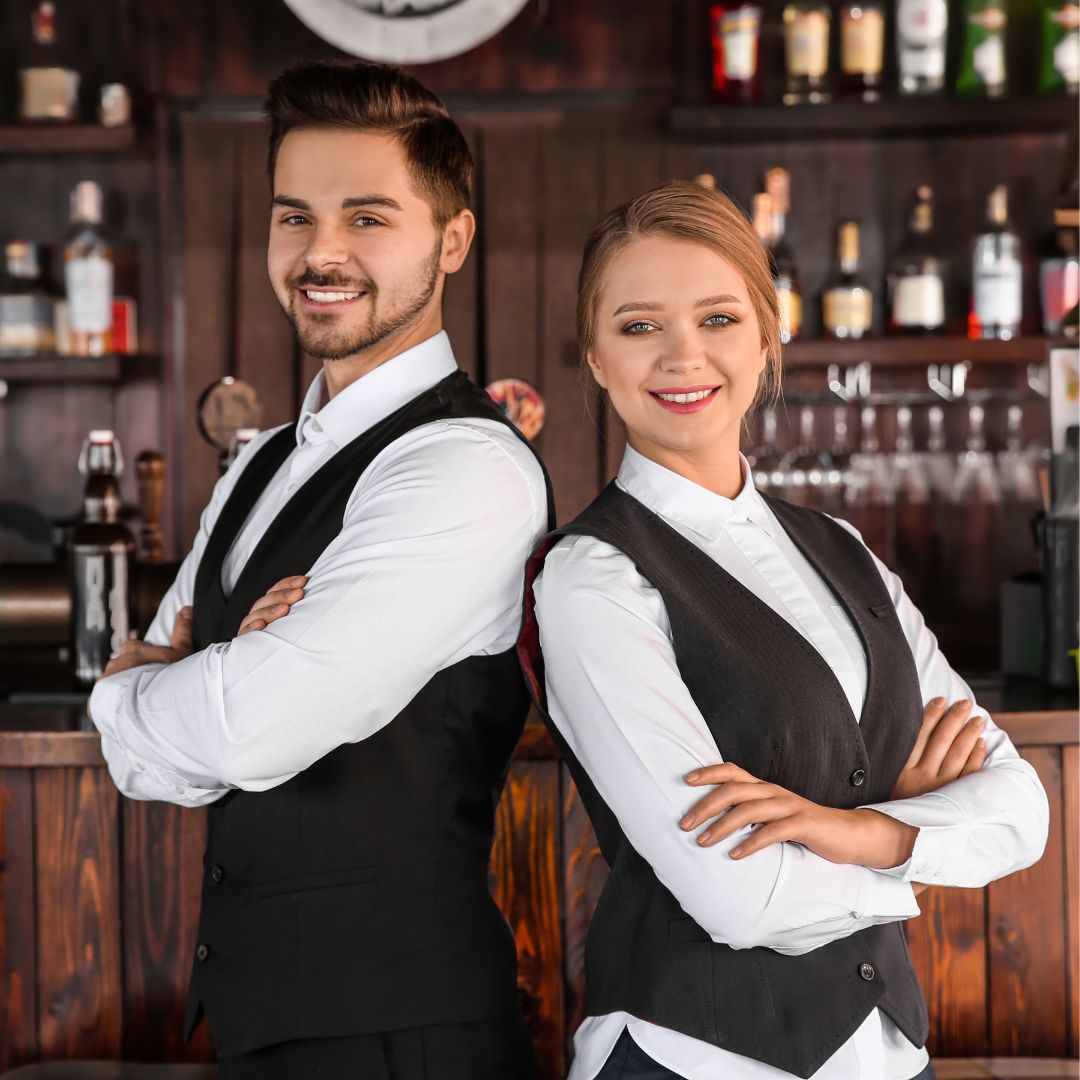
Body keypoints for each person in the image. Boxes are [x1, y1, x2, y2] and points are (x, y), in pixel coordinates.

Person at [517, 181, 1049, 1080]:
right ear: (596, 360)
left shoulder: (839, 548)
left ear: (767, 338)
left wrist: (845, 831)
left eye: (719, 318)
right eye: (639, 326)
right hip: (692, 1059)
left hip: (890, 1055)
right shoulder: (592, 576)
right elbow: (742, 898)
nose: (683, 357)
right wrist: (919, 841)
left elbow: (1022, 815)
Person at [89, 59, 551, 1080]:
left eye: (368, 218)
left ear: (454, 238)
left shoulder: (466, 466)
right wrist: (195, 687)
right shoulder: (256, 465)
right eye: (293, 216)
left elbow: (251, 726)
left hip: (402, 1039)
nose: (321, 252)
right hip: (268, 1031)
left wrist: (140, 683)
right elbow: (142, 761)